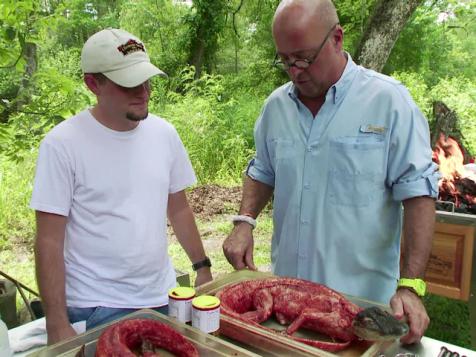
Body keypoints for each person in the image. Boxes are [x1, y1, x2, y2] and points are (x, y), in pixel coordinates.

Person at [223, 0, 439, 345]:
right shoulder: (276, 107)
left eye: (305, 58)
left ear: (337, 38)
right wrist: (244, 222)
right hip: (286, 310)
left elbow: (418, 195)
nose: (295, 70)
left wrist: (411, 286)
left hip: (362, 315)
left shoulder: (389, 102)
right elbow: (263, 169)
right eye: (285, 60)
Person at [30, 28, 213, 344]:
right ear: (93, 84)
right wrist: (56, 323)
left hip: (162, 296)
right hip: (95, 305)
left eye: (146, 80)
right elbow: (48, 240)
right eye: (128, 83)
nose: (143, 91)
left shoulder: (164, 134)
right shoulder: (62, 145)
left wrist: (202, 266)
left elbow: (179, 208)